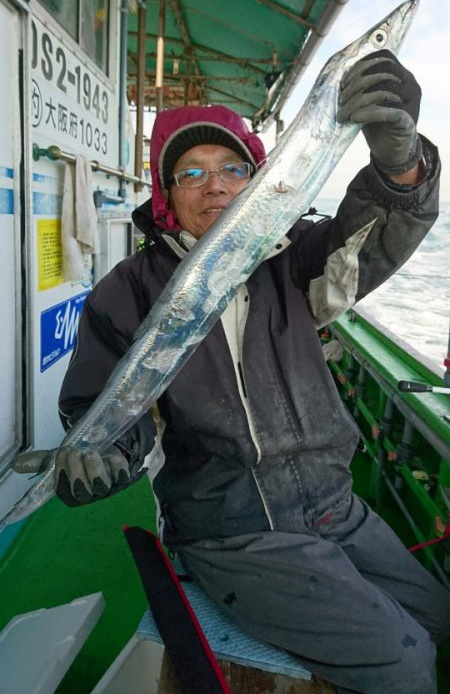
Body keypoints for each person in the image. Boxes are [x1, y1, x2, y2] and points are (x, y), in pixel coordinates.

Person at [15, 50, 450, 694]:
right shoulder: (127, 291)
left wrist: (399, 168)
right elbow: (111, 410)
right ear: (166, 196)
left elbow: (373, 238)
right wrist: (99, 456)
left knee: (437, 620)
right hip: (231, 525)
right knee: (406, 664)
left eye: (232, 168)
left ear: (258, 180)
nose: (214, 185)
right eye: (190, 173)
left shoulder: (295, 260)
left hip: (335, 505)